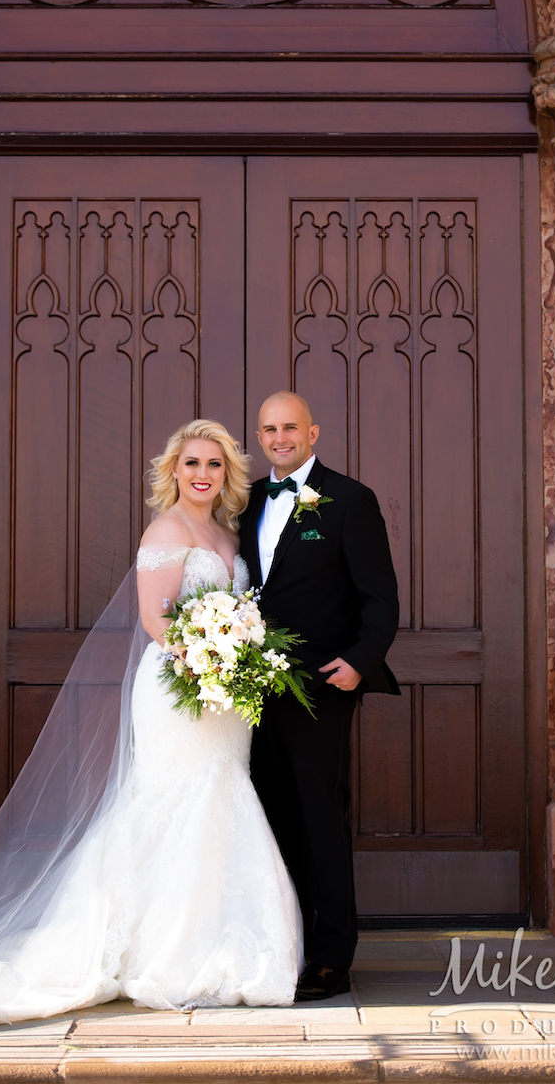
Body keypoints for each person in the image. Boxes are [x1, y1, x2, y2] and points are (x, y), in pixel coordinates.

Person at [0, 420, 300, 1036]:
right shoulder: (165, 530)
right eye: (191, 464)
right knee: (170, 801)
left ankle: (217, 944)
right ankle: (152, 952)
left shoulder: (226, 532)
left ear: (226, 474)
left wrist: (235, 664)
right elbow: (157, 621)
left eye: (213, 465)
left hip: (222, 696)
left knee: (222, 796)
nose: (202, 475)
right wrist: (208, 659)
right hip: (176, 687)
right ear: (174, 471)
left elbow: (236, 610)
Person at [240, 392, 399, 1003]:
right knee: (272, 820)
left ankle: (332, 957)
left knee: (320, 819)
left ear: (313, 432)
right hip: (254, 691)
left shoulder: (350, 500)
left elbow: (379, 597)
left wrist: (359, 663)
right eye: (268, 429)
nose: (279, 438)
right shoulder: (249, 500)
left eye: (290, 428)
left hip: (322, 688)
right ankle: (285, 945)